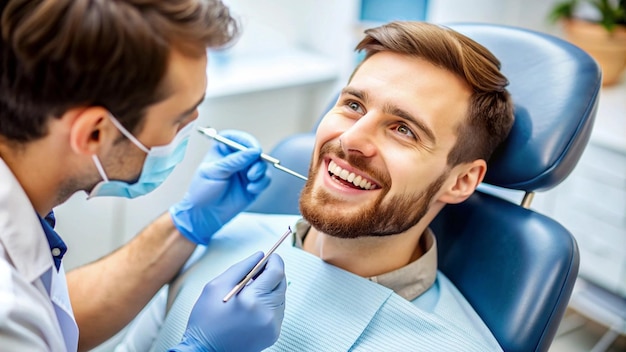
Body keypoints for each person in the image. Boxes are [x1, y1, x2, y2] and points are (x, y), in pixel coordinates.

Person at [117, 20, 515, 351]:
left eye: (403, 130)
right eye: (353, 105)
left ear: (462, 181)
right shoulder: (217, 240)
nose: (351, 140)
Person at [0, 1, 287, 351]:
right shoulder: (8, 311)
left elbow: (53, 320)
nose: (192, 128)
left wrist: (185, 225)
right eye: (178, 119)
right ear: (94, 133)